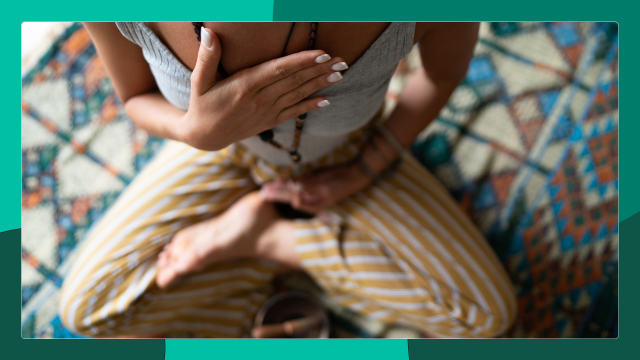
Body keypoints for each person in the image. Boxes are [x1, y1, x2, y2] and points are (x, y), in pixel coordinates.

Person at [59, 22, 517, 338]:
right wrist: (192, 131)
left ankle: (269, 245)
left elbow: (441, 77)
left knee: (486, 316)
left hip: (345, 157)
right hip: (218, 153)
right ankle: (275, 251)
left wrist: (365, 169)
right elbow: (136, 96)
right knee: (85, 311)